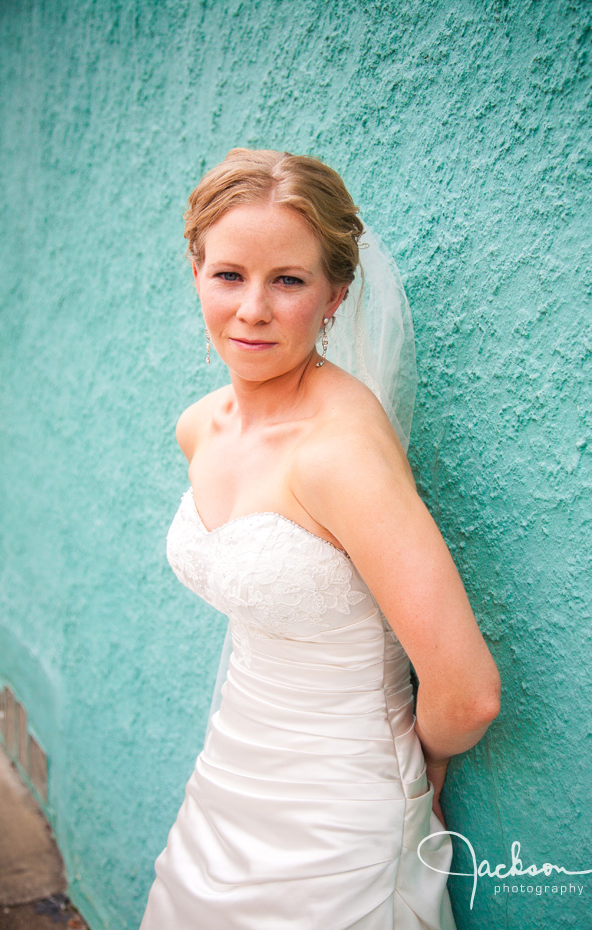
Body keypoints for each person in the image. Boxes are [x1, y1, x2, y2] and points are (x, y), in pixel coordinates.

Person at [140, 148, 501, 930]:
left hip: (337, 810)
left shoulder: (340, 453)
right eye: (229, 275)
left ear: (337, 294)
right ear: (196, 273)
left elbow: (470, 695)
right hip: (229, 772)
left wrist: (422, 771)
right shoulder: (200, 427)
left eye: (290, 281)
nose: (253, 309)